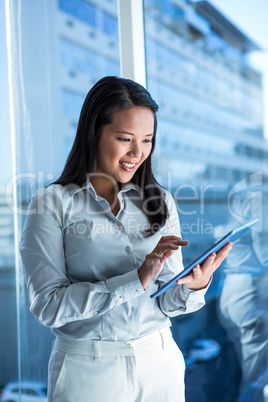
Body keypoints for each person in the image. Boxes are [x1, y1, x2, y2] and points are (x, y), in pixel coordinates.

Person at [19, 76, 231, 402]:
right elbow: (47, 306)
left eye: (147, 140)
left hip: (160, 360)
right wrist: (134, 279)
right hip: (89, 371)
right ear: (93, 133)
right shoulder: (51, 204)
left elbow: (165, 301)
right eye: (125, 138)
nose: (138, 152)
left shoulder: (160, 201)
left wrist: (194, 285)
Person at [218, 185, 268, 402]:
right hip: (248, 297)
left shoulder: (231, 226)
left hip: (228, 295)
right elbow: (265, 258)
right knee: (255, 376)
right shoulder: (258, 225)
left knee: (245, 368)